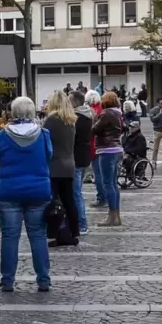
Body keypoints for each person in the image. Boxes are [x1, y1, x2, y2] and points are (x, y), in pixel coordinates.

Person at [0, 96, 53, 292]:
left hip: (9, 191)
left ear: (12, 113)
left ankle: (7, 280)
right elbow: (49, 156)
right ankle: (43, 279)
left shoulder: (3, 136)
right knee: (38, 235)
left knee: (9, 237)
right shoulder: (43, 134)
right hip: (38, 190)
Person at [42, 90, 79, 247]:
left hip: (54, 165)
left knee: (52, 201)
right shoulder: (71, 120)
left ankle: (53, 233)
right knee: (69, 200)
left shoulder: (52, 120)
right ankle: (74, 231)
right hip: (69, 164)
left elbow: (44, 141)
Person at [92, 92, 125, 227]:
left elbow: (94, 129)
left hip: (107, 149)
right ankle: (116, 215)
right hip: (117, 149)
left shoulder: (106, 114)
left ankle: (112, 216)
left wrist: (94, 119)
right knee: (113, 183)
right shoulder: (118, 113)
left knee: (107, 183)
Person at [69, 90, 93, 235]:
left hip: (77, 158)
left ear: (76, 102)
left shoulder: (77, 117)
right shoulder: (88, 115)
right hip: (84, 157)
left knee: (76, 193)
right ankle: (80, 223)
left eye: (70, 100)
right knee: (77, 192)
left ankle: (82, 224)